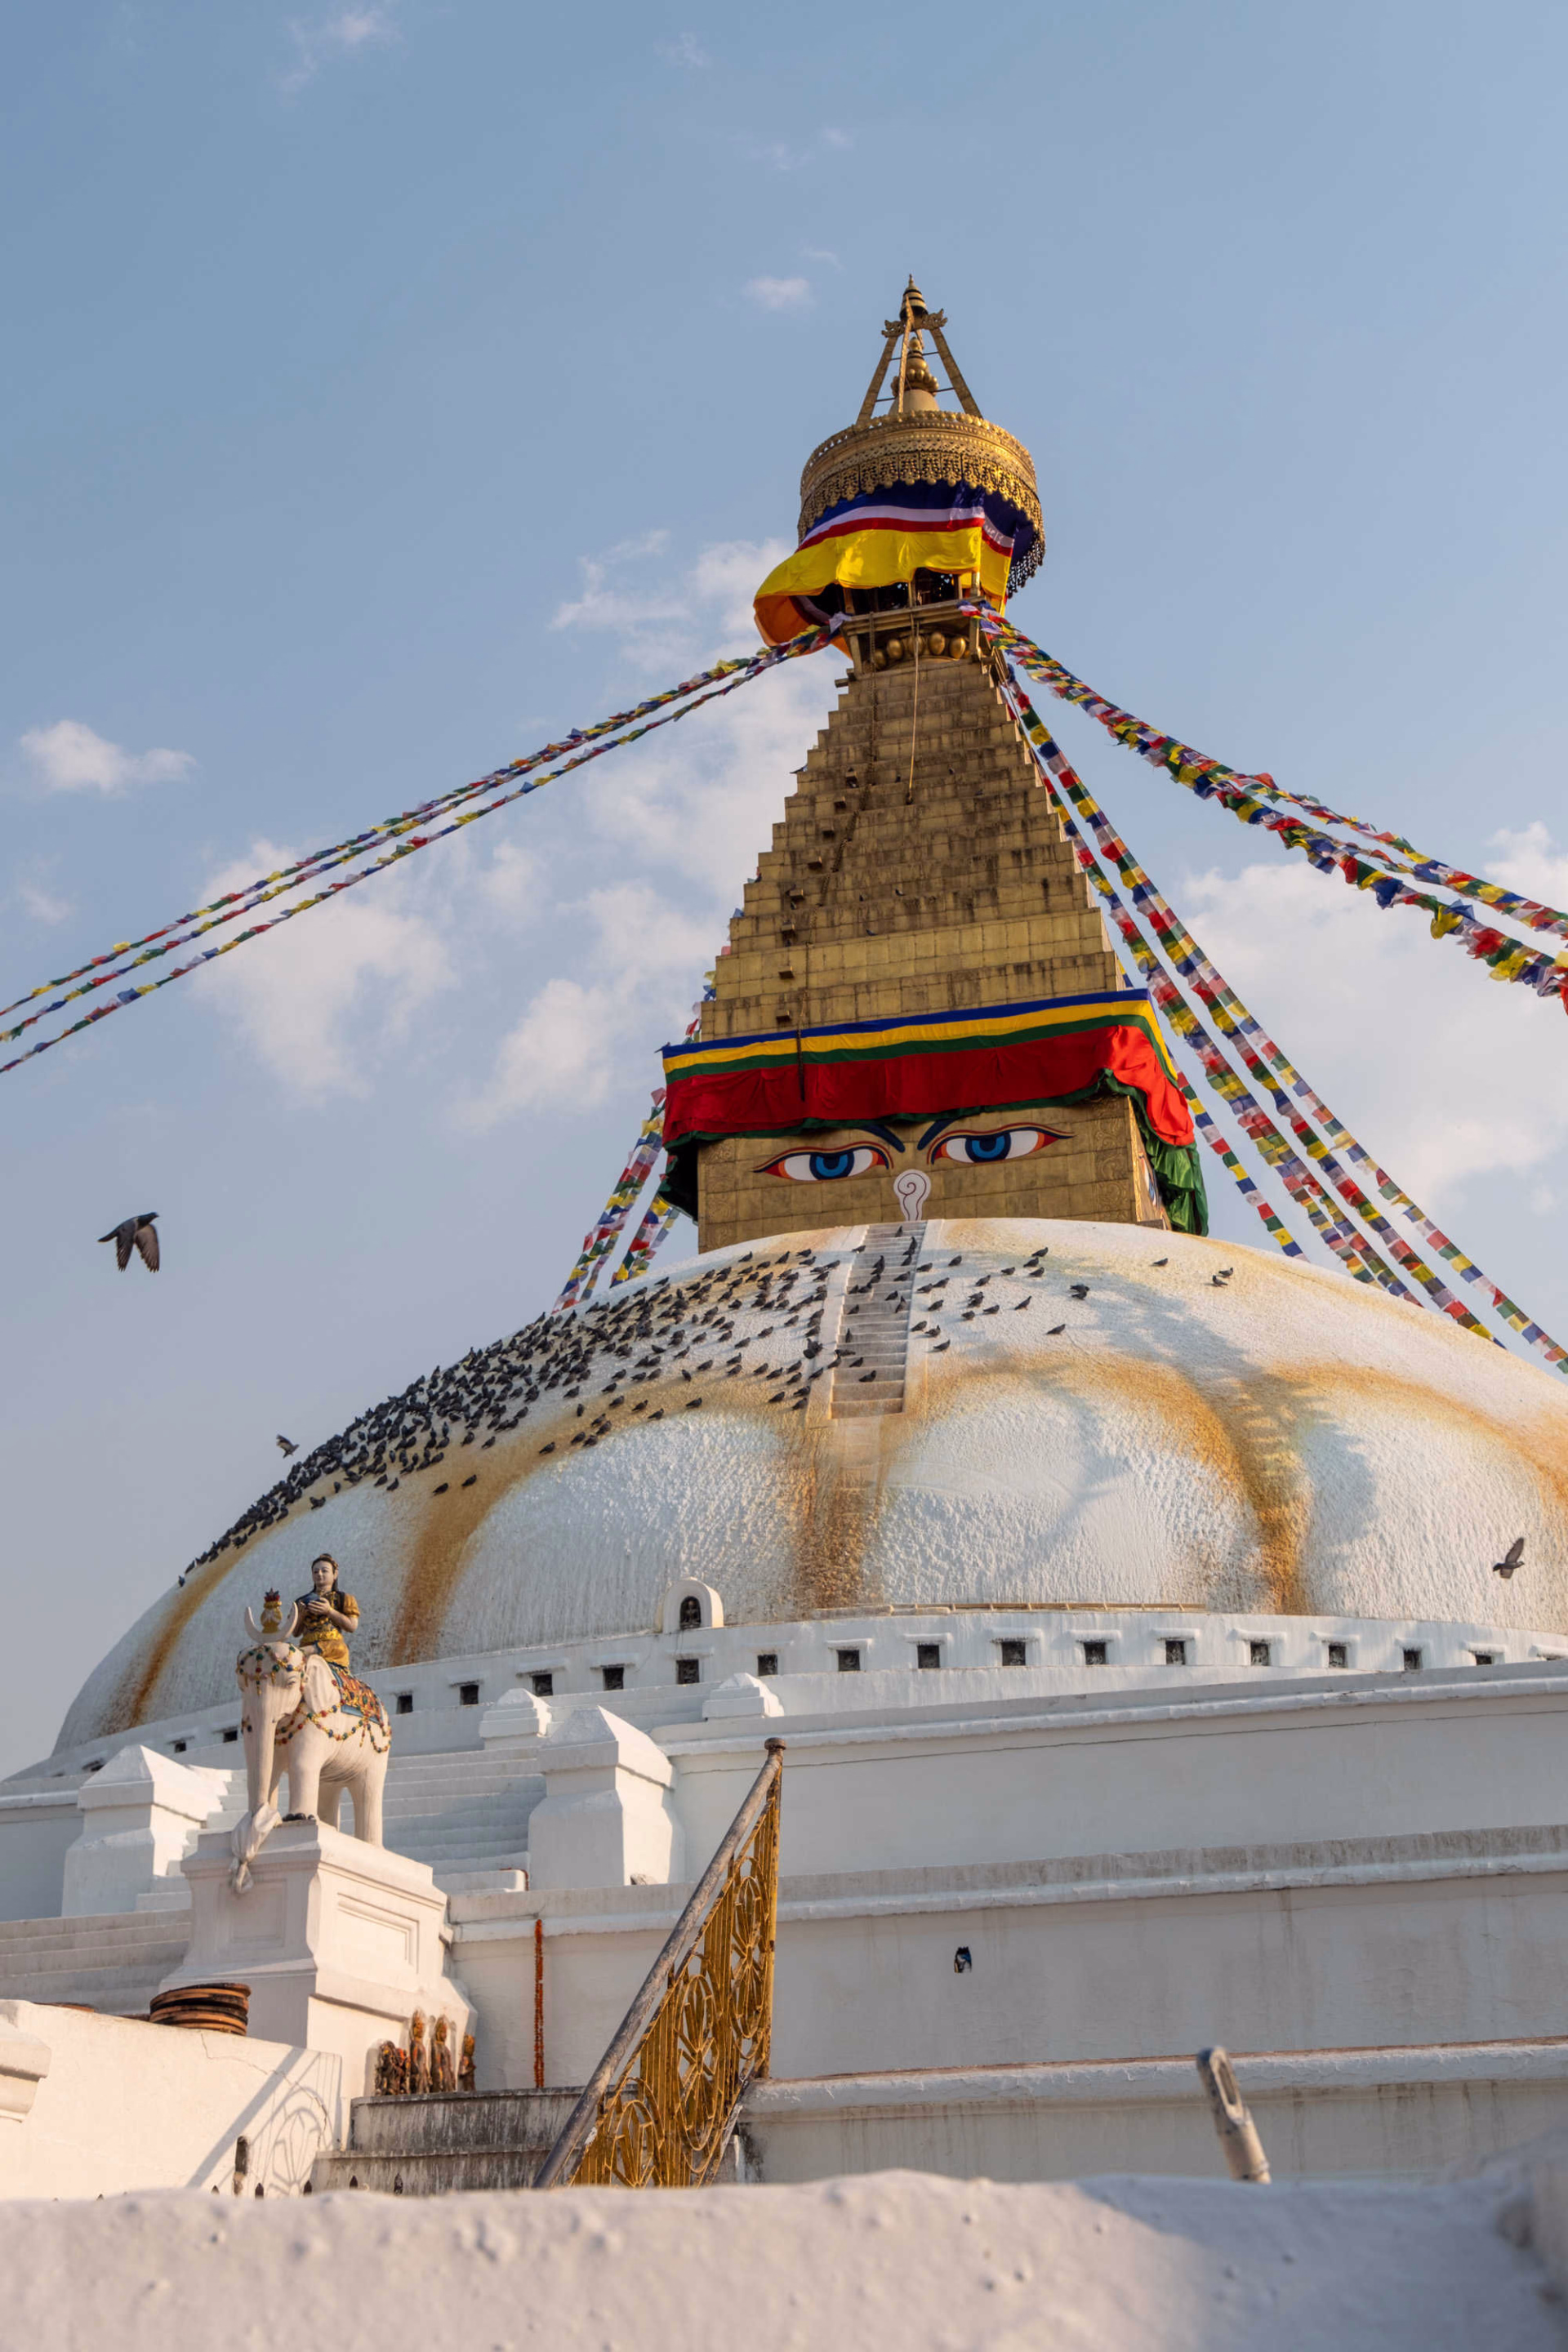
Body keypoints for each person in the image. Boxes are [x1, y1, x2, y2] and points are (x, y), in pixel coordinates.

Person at [293, 1554, 360, 1672]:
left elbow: (352, 1626)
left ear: (335, 1574)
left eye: (324, 1571)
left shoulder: (344, 1598)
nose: (319, 1574)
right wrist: (301, 1616)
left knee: (297, 1653)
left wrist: (329, 1611)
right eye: (316, 1572)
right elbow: (295, 1632)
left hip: (332, 1647)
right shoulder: (301, 1601)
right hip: (307, 1646)